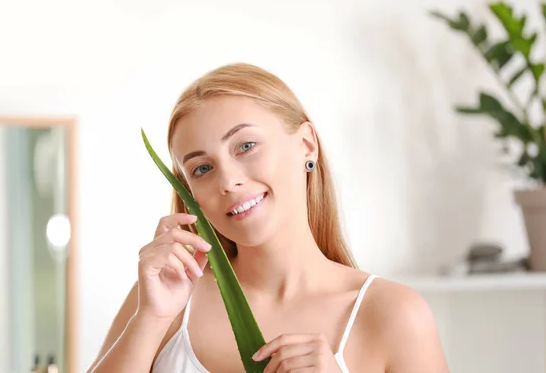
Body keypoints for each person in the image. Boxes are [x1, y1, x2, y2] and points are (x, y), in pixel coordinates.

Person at [87, 63, 449, 373]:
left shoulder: (393, 315)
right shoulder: (167, 300)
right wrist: (151, 318)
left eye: (246, 146)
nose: (228, 181)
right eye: (202, 169)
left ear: (306, 144)